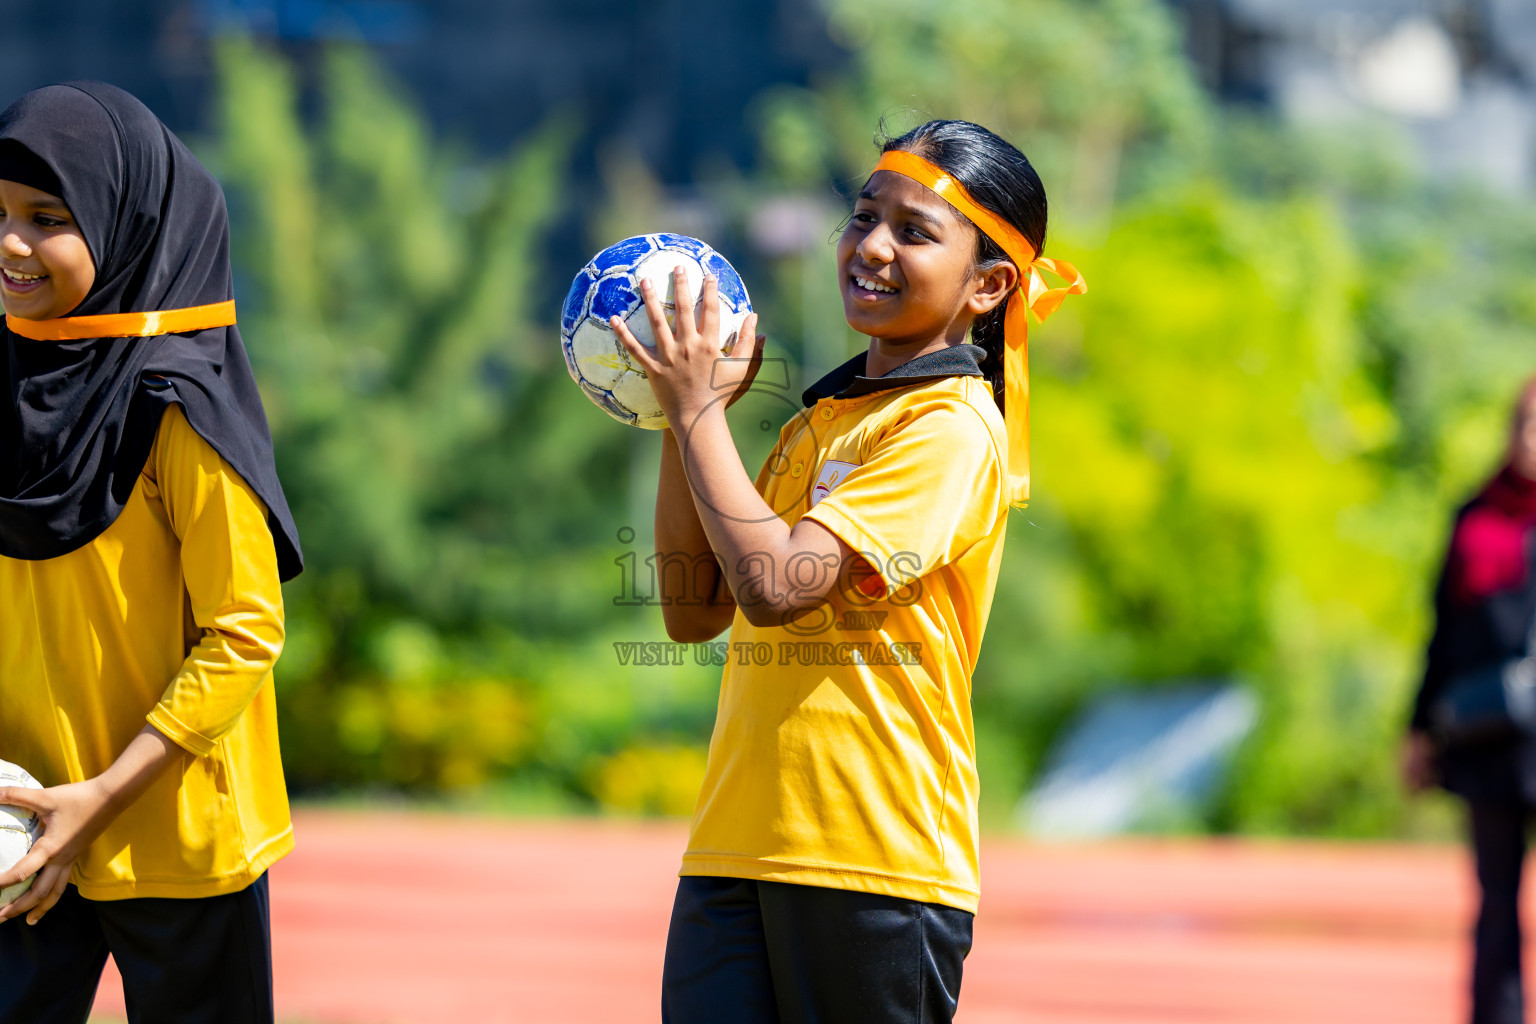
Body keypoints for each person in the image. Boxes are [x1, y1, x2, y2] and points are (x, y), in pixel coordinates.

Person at [615, 119, 1083, 1023]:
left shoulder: (949, 427)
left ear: (989, 286)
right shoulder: (817, 423)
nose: (871, 246)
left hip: (874, 863)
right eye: (863, 216)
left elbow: (778, 586)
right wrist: (687, 419)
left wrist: (699, 413)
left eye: (914, 231)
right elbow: (695, 607)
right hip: (734, 849)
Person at [0, 82, 302, 1024]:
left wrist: (100, 796)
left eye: (47, 218)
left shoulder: (176, 405)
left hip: (177, 836)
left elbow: (245, 632)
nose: (11, 243)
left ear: (127, 226)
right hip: (21, 828)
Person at [1406, 377, 1536, 1024]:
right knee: (1495, 906)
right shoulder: (1477, 518)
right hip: (1491, 741)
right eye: (1524, 424)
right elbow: (1443, 632)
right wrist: (1418, 727)